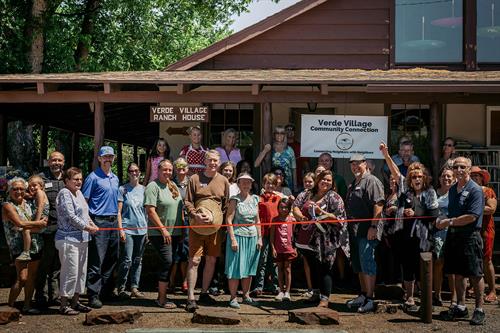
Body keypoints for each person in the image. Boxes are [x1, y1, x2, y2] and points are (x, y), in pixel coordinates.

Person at [380, 144, 439, 311]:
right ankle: (410, 298)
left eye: (419, 176)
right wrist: (386, 155)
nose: (417, 179)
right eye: (413, 177)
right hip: (406, 238)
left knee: (424, 270)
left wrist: (416, 212)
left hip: (424, 238)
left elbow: (434, 213)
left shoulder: (430, 192)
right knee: (408, 269)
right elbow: (396, 173)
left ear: (424, 177)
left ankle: (426, 300)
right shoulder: (405, 189)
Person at [437, 157, 486, 325]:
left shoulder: (476, 190)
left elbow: (472, 216)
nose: (458, 169)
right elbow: (452, 213)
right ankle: (461, 306)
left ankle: (479, 309)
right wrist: (443, 219)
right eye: (456, 166)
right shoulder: (452, 190)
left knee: (475, 273)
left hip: (470, 236)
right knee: (457, 273)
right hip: (454, 236)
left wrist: (448, 222)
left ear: (469, 168)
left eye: (462, 166)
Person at [293, 170, 349, 308]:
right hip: (306, 239)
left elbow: (340, 220)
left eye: (329, 180)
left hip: (326, 240)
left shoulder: (335, 198)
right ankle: (316, 293)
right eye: (324, 179)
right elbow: (295, 206)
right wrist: (300, 217)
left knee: (325, 268)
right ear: (318, 180)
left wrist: (322, 213)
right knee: (313, 267)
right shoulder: (307, 193)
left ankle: (325, 299)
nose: (326, 182)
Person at [184, 150, 230, 312]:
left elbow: (226, 205)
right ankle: (190, 297)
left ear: (219, 162)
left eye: (215, 161)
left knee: (211, 260)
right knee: (194, 260)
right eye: (210, 160)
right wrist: (194, 215)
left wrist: (220, 223)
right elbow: (188, 201)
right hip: (196, 226)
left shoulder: (224, 181)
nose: (212, 163)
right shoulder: (195, 179)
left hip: (216, 228)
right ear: (205, 161)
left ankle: (204, 293)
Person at [55, 167, 98, 315]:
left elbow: (85, 213)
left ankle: (76, 302)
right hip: (68, 239)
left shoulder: (79, 193)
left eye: (80, 179)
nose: (79, 182)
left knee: (81, 272)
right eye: (75, 179)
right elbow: (70, 216)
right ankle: (64, 305)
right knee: (70, 272)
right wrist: (87, 227)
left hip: (83, 239)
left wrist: (92, 225)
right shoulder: (64, 193)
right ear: (67, 181)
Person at [345, 154, 385, 313]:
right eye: (352, 164)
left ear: (365, 164)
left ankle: (370, 298)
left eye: (358, 163)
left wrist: (374, 226)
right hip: (354, 230)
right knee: (358, 263)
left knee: (367, 262)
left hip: (367, 229)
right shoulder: (353, 182)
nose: (355, 167)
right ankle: (362, 294)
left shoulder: (372, 181)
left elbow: (379, 204)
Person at [82, 145, 120, 309]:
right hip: (99, 221)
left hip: (113, 221)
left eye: (110, 157)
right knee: (97, 259)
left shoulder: (115, 178)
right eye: (105, 157)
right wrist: (89, 222)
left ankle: (107, 291)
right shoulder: (93, 177)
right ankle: (93, 294)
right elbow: (84, 201)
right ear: (99, 158)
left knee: (112, 258)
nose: (108, 159)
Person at [2, 177, 46, 314]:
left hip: (35, 244)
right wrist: (38, 224)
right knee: (22, 277)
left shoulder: (29, 203)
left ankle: (27, 305)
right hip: (18, 247)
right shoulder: (7, 206)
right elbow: (20, 224)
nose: (18, 191)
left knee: (31, 277)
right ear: (9, 191)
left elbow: (41, 210)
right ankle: (9, 307)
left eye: (21, 188)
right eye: (15, 189)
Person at [144, 159, 184, 309]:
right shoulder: (152, 187)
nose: (167, 172)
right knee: (167, 261)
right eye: (164, 169)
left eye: (169, 170)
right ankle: (161, 299)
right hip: (160, 233)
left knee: (170, 262)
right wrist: (163, 229)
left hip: (176, 232)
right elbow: (150, 210)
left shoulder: (172, 185)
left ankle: (163, 296)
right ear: (158, 170)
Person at [225, 172, 262, 309]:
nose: (246, 184)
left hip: (252, 237)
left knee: (249, 267)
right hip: (238, 237)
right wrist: (233, 239)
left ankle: (246, 296)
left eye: (249, 182)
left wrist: (259, 238)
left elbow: (257, 220)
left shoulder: (255, 199)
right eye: (243, 182)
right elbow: (228, 219)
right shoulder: (235, 199)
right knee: (235, 268)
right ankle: (233, 298)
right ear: (239, 184)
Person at [35, 151, 66, 308]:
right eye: (53, 160)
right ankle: (40, 296)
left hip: (63, 228)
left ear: (63, 162)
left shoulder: (67, 178)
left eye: (59, 160)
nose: (56, 163)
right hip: (48, 227)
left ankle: (55, 295)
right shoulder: (41, 178)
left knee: (58, 263)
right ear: (48, 162)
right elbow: (30, 195)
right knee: (45, 262)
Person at [116, 163, 148, 299]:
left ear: (140, 173)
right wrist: (120, 229)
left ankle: (134, 287)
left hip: (142, 229)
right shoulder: (123, 189)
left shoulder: (145, 190)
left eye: (136, 171)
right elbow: (118, 211)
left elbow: (148, 211)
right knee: (127, 260)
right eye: (131, 171)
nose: (134, 173)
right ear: (128, 173)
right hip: (127, 228)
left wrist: (148, 230)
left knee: (138, 260)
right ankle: (121, 288)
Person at [470, 166, 497, 304]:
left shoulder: (488, 191)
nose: (474, 177)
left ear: (482, 178)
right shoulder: (467, 190)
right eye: (472, 175)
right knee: (472, 259)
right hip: (471, 228)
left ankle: (492, 290)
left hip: (485, 229)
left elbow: (491, 208)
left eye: (477, 175)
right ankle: (474, 288)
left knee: (487, 259)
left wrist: (473, 207)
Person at [251, 173, 280, 297]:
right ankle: (258, 286)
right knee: (261, 260)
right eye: (268, 183)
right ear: (264, 184)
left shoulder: (278, 198)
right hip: (263, 233)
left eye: (273, 183)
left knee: (273, 261)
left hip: (275, 233)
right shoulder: (259, 199)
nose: (270, 185)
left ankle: (274, 285)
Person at [433, 167, 456, 306]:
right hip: (438, 232)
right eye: (443, 176)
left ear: (453, 179)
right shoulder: (434, 193)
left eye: (449, 176)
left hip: (453, 231)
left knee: (453, 266)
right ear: (440, 178)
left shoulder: (456, 193)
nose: (446, 178)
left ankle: (454, 298)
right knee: (438, 263)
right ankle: (437, 295)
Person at [255, 126, 297, 193]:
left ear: (285, 135)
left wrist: (295, 187)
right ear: (274, 135)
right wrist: (265, 150)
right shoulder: (269, 148)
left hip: (287, 185)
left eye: (282, 133)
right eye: (277, 133)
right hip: (272, 184)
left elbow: (293, 169)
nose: (279, 135)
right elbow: (256, 164)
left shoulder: (290, 150)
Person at [16, 175, 49, 261]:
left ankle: (26, 253)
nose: (32, 188)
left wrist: (37, 223)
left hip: (41, 223)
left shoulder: (40, 193)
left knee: (25, 230)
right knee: (22, 229)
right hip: (40, 222)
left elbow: (40, 207)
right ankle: (28, 251)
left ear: (41, 186)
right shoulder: (36, 194)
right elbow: (28, 195)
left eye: (34, 185)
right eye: (30, 186)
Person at [271, 197, 297, 302]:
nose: (284, 209)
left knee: (288, 269)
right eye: (281, 207)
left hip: (289, 249)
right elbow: (272, 236)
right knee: (280, 269)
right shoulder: (275, 220)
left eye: (286, 207)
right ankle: (281, 291)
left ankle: (287, 292)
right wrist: (273, 248)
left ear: (289, 208)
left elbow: (295, 235)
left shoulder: (292, 220)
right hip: (278, 249)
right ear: (278, 208)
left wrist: (295, 248)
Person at [170, 157, 190, 293]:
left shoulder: (191, 183)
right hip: (174, 220)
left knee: (186, 252)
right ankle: (171, 282)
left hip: (188, 221)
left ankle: (185, 281)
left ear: (187, 168)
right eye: (178, 167)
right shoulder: (170, 183)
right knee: (174, 253)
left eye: (184, 167)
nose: (181, 169)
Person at [299, 172, 315, 297]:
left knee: (318, 262)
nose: (308, 184)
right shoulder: (302, 195)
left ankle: (319, 289)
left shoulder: (320, 194)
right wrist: (301, 218)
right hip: (304, 231)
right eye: (306, 182)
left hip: (318, 234)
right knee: (306, 261)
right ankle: (310, 288)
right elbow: (295, 208)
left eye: (310, 181)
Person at [285, 123, 309, 189]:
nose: (290, 131)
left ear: (295, 132)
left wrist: (308, 176)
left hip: (298, 179)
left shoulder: (300, 146)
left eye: (292, 130)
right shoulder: (281, 146)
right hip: (284, 180)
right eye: (288, 129)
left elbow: (305, 163)